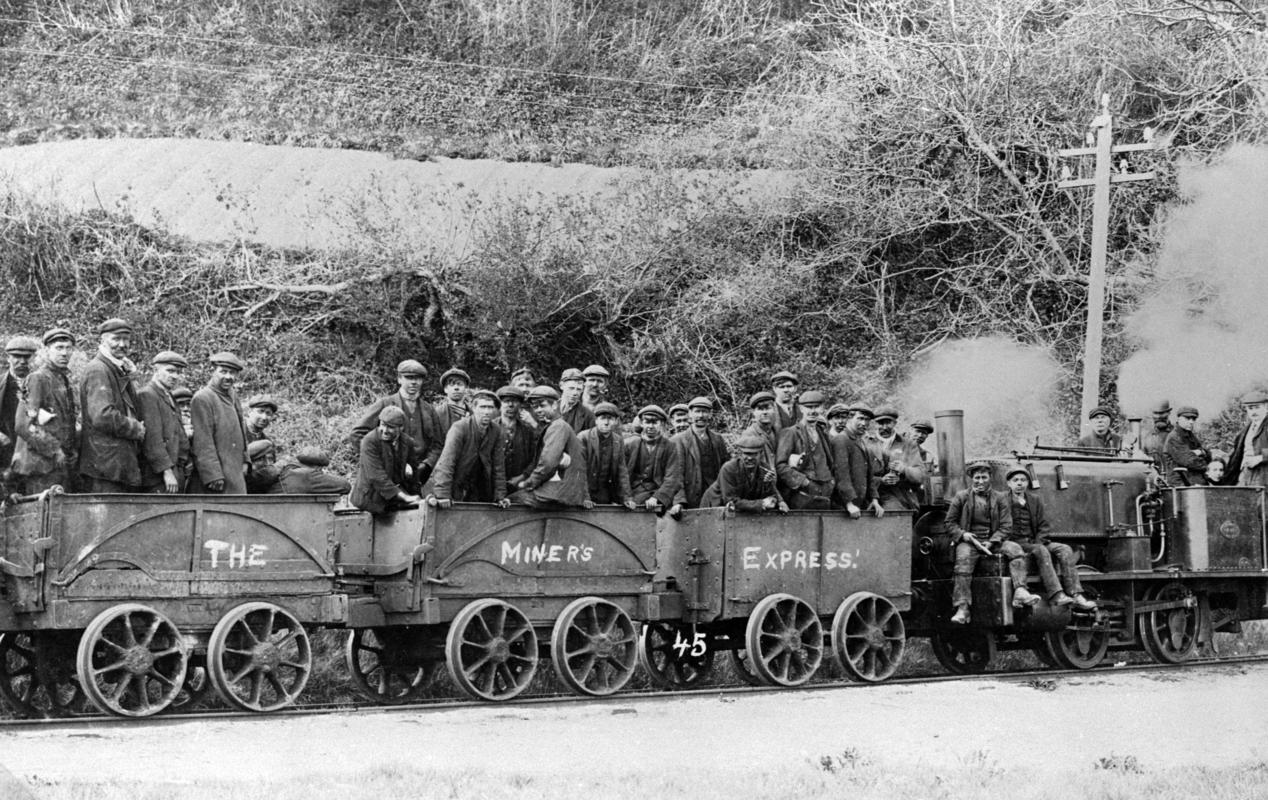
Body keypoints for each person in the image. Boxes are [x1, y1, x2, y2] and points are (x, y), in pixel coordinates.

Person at [1004, 466, 1095, 611]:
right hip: (1015, 543)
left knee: (1064, 549)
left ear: (1027, 483)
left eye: (1023, 480)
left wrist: (1038, 541)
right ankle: (1056, 594)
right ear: (1009, 483)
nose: (1019, 483)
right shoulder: (1002, 500)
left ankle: (1076, 594)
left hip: (1034, 541)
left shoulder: (1035, 500)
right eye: (1016, 480)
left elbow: (1043, 525)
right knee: (1040, 549)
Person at [347, 360, 444, 488]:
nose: (414, 382)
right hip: (388, 475)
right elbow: (357, 434)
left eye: (418, 378)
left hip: (418, 475)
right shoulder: (385, 404)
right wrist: (381, 461)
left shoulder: (429, 410)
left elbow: (438, 444)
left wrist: (427, 465)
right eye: (409, 378)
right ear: (399, 379)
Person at [78, 319, 145, 493]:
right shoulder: (98, 369)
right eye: (116, 339)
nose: (122, 344)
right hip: (105, 465)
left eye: (126, 339)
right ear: (103, 341)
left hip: (115, 464)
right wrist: (135, 428)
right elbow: (102, 416)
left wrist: (132, 378)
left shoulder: (117, 369)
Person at [946, 461, 1015, 625]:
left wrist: (992, 541)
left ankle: (1021, 591)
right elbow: (949, 523)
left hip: (993, 541)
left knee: (1016, 550)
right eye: (977, 477)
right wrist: (963, 535)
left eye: (984, 477)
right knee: (962, 564)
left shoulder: (1000, 498)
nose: (980, 481)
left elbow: (1006, 526)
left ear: (990, 478)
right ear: (971, 479)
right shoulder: (961, 497)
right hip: (970, 542)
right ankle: (962, 608)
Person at [12, 329, 78, 494]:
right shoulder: (38, 378)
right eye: (59, 347)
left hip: (58, 466)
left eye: (68, 348)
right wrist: (54, 449)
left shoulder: (63, 379)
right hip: (40, 466)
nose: (64, 353)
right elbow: (24, 425)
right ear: (47, 350)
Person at [507, 386, 588, 508]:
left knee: (510, 500)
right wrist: (522, 478)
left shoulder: (558, 427)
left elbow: (548, 463)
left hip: (559, 492)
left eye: (542, 405)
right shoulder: (555, 426)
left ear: (555, 405)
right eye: (535, 407)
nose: (538, 410)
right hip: (565, 490)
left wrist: (529, 483)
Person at [430, 389, 508, 505]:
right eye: (482, 407)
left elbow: (498, 466)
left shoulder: (496, 431)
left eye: (490, 407)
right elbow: (447, 462)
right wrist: (442, 495)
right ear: (474, 408)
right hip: (457, 485)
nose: (486, 412)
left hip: (480, 488)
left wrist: (500, 496)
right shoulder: (459, 428)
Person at [189, 352, 248, 494]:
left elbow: (242, 428)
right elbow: (202, 441)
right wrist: (213, 475)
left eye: (233, 373)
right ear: (212, 372)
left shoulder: (233, 395)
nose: (228, 377)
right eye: (223, 371)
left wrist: (246, 459)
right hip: (217, 478)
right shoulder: (203, 398)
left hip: (235, 470)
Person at [136, 350, 191, 494]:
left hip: (175, 471)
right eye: (170, 371)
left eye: (178, 372)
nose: (175, 376)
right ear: (156, 370)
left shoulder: (169, 396)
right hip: (158, 476)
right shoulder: (147, 395)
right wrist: (166, 471)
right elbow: (152, 439)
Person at [350, 405, 421, 514]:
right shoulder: (369, 441)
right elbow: (376, 476)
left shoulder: (407, 442)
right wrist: (404, 497)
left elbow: (414, 473)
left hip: (393, 497)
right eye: (383, 425)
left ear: (401, 428)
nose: (385, 430)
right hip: (370, 499)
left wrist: (417, 497)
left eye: (391, 427)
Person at [775, 390, 836, 510]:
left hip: (825, 493)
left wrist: (831, 482)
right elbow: (780, 466)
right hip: (801, 496)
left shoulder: (823, 434)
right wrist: (803, 482)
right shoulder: (791, 433)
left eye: (817, 407)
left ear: (822, 409)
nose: (813, 411)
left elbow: (829, 462)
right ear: (801, 408)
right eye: (808, 407)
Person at [667, 396, 730, 510]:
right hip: (691, 500)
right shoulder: (678, 441)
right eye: (697, 411)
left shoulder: (718, 439)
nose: (701, 416)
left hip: (715, 499)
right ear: (690, 414)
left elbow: (726, 470)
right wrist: (678, 501)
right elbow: (676, 475)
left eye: (705, 412)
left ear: (710, 414)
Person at [702, 433, 786, 513]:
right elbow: (730, 500)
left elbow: (770, 493)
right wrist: (762, 504)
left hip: (741, 508)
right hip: (715, 507)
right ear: (740, 454)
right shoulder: (729, 469)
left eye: (754, 454)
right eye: (746, 453)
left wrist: (779, 500)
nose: (749, 458)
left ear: (761, 454)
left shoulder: (764, 469)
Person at [623, 405, 682, 516]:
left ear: (662, 424)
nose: (650, 426)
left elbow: (672, 478)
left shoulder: (670, 447)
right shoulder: (629, 445)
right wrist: (626, 497)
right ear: (641, 423)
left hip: (657, 498)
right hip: (632, 498)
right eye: (647, 422)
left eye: (655, 422)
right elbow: (621, 476)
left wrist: (657, 498)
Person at [867, 406, 926, 511]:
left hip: (900, 496)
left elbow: (920, 475)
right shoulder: (866, 443)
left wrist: (904, 469)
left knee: (895, 513)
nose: (884, 427)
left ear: (895, 423)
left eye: (888, 423)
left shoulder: (908, 444)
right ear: (875, 424)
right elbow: (859, 475)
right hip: (870, 494)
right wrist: (881, 480)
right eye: (880, 423)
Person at [578, 402, 636, 509]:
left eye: (610, 419)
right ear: (596, 421)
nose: (606, 422)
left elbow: (622, 470)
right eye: (603, 418)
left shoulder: (617, 440)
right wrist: (584, 497)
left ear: (615, 422)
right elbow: (579, 469)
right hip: (584, 492)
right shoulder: (584, 437)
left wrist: (627, 498)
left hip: (605, 494)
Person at [832, 404, 884, 519]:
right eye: (860, 418)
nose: (864, 423)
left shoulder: (862, 442)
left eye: (867, 420)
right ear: (849, 419)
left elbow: (869, 476)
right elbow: (841, 475)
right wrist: (849, 503)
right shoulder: (841, 440)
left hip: (859, 505)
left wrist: (874, 499)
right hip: (843, 508)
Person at [1, 336, 39, 473]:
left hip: (35, 453)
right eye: (17, 356)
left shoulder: (41, 382)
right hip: (6, 454)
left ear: (33, 357)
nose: (22, 361)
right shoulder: (1, 384)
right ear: (8, 358)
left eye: (27, 357)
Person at [1222, 390, 1268, 487]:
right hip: (1245, 474)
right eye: (1250, 408)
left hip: (1264, 475)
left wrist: (1260, 458)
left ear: (1265, 407)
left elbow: (1265, 450)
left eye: (1257, 407)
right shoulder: (1246, 430)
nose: (1254, 412)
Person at [498, 384, 537, 495]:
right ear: (499, 405)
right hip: (492, 484)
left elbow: (535, 458)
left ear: (520, 405)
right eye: (506, 401)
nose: (510, 405)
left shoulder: (528, 431)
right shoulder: (491, 428)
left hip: (519, 485)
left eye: (515, 402)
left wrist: (522, 476)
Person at [1163, 406, 1210, 486]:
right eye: (1187, 418)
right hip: (1181, 484)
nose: (1191, 422)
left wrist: (1201, 452)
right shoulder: (1174, 437)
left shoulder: (1190, 436)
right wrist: (1209, 467)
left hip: (1194, 481)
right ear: (1179, 419)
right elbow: (1189, 461)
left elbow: (1207, 454)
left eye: (1193, 419)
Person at [278, 447, 351, 495]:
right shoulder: (308, 475)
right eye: (321, 470)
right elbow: (345, 486)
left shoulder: (287, 470)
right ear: (317, 468)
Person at [434, 367, 471, 435]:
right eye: (451, 384)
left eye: (459, 384)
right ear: (445, 389)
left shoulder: (474, 414)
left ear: (466, 389)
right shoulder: (436, 414)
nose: (456, 388)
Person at [742, 391, 779, 458]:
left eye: (768, 408)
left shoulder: (777, 431)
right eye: (760, 409)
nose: (765, 412)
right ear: (753, 412)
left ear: (774, 410)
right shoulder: (749, 435)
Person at [558, 368, 595, 434]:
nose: (575, 393)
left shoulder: (588, 416)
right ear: (561, 386)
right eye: (571, 388)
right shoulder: (550, 408)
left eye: (578, 389)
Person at [1139, 400, 1173, 471]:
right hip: (1154, 479)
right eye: (1156, 413)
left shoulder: (1177, 434)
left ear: (1169, 413)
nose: (1159, 417)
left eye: (1162, 413)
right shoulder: (1147, 437)